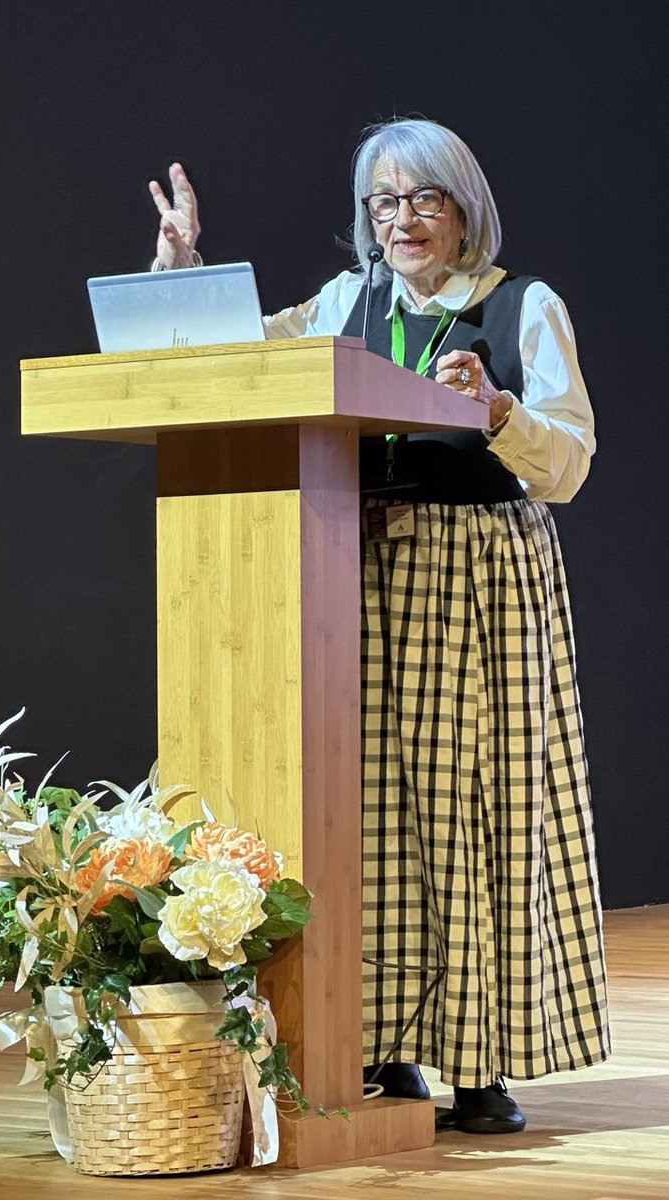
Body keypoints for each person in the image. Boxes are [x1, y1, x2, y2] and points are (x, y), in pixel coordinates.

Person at [148, 118, 610, 1134]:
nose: (402, 220)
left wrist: (499, 411)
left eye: (423, 199)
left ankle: (481, 1064)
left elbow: (569, 463)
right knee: (361, 815)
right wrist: (181, 270)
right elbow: (232, 354)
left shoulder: (522, 306)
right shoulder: (342, 302)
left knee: (468, 806)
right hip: (349, 571)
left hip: (473, 573)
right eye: (384, 202)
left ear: (464, 208)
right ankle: (381, 1044)